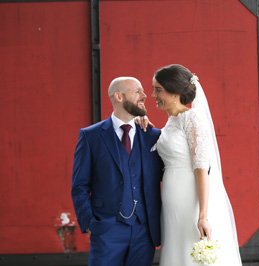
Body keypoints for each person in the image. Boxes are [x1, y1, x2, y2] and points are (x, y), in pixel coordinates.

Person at [151, 64, 242, 265]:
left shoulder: (192, 119)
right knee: (177, 251)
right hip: (172, 201)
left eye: (158, 90)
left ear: (174, 92)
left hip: (190, 199)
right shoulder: (170, 122)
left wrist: (203, 215)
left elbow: (202, 169)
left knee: (192, 250)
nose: (152, 95)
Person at [71, 77, 163, 266]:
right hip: (106, 231)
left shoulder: (153, 136)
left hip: (144, 233)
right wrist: (91, 223)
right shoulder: (91, 136)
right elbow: (79, 185)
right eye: (137, 91)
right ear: (118, 96)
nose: (144, 95)